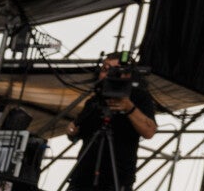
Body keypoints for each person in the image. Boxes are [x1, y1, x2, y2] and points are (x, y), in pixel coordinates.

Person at [63, 55, 157, 190]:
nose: (109, 74)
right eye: (105, 69)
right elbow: (76, 132)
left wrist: (129, 108)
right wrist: (71, 130)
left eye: (116, 70)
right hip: (83, 178)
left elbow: (149, 132)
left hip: (116, 180)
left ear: (127, 74)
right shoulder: (94, 101)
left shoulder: (139, 97)